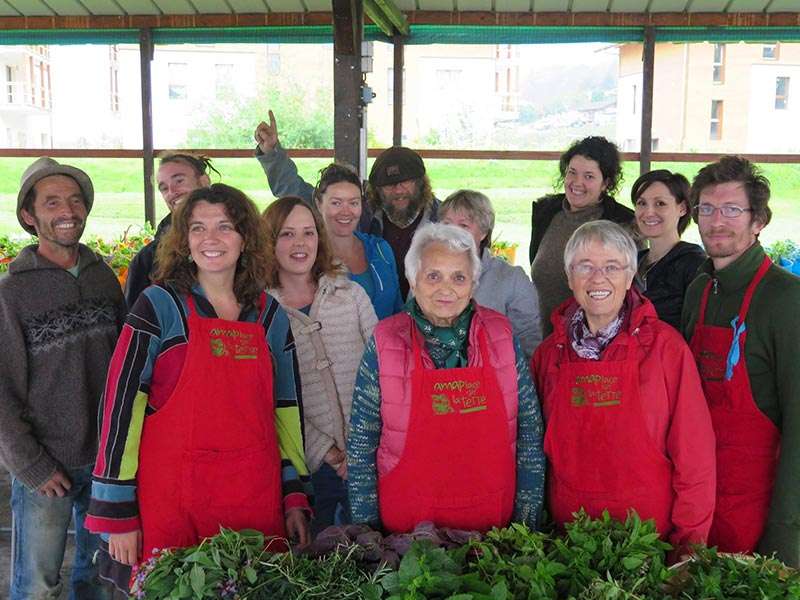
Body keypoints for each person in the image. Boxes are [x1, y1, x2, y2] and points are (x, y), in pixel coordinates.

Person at [86, 184, 311, 593]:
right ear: (184, 241)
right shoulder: (158, 307)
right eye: (198, 228)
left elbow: (287, 410)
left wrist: (294, 492)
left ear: (246, 239)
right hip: (173, 500)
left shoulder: (269, 316)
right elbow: (121, 406)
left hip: (253, 500)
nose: (211, 239)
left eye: (225, 227)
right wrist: (116, 511)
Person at [532, 220, 716, 559]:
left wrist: (688, 545)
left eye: (612, 267)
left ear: (630, 277)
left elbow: (695, 456)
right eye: (585, 266)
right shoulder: (548, 355)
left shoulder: (665, 349)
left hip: (648, 543)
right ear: (569, 277)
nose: (598, 278)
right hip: (570, 540)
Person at [348, 222, 545, 533]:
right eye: (433, 276)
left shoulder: (501, 335)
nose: (446, 288)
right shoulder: (386, 340)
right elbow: (362, 442)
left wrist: (526, 524)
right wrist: (367, 531)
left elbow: (530, 433)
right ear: (413, 279)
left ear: (473, 284)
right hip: (407, 535)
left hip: (493, 531)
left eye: (459, 277)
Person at [0, 157, 125, 599]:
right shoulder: (12, 293)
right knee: (37, 586)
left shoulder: (104, 279)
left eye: (75, 200)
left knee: (101, 579)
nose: (67, 210)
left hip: (108, 462)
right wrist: (31, 465)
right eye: (52, 202)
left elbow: (124, 368)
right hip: (46, 463)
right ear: (30, 216)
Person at [682, 156, 800, 567]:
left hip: (761, 509)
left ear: (758, 221)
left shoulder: (786, 298)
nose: (717, 221)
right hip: (701, 500)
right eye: (707, 209)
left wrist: (786, 535)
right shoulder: (699, 291)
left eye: (732, 209)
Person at [263, 197, 377, 533]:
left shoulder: (352, 296)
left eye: (308, 233)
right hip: (309, 466)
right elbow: (266, 396)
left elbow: (382, 371)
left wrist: (362, 442)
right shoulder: (261, 313)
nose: (300, 244)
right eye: (286, 234)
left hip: (367, 455)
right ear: (268, 242)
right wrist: (325, 450)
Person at [254, 110, 439, 298]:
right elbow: (294, 190)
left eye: (406, 182)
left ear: (421, 183)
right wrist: (272, 153)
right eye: (389, 185)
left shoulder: (444, 220)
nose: (399, 190)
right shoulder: (361, 210)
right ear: (377, 191)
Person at [529, 136, 636, 337]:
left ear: (605, 183)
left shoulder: (623, 223)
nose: (577, 183)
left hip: (595, 343)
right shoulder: (546, 212)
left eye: (589, 176)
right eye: (572, 173)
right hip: (546, 341)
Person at [439, 189, 542, 359]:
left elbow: (529, 340)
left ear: (484, 233)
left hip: (495, 375)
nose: (453, 233)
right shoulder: (425, 275)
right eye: (447, 224)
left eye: (464, 226)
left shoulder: (511, 279)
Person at [123, 152, 218, 307]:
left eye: (179, 180)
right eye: (163, 188)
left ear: (204, 181)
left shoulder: (235, 239)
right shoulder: (148, 259)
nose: (172, 192)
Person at [312, 163, 402, 319]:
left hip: (384, 342)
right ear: (319, 204)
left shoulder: (380, 249)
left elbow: (398, 310)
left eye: (353, 203)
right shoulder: (310, 256)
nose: (346, 212)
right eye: (336, 203)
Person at [631, 169, 705, 329]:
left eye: (660, 204)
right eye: (641, 203)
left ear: (683, 208)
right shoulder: (631, 261)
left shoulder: (694, 264)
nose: (648, 212)